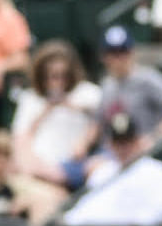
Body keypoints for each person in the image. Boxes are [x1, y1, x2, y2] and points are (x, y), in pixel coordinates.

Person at [51, 112, 162, 226]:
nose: (123, 148)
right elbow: (84, 209)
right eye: (118, 142)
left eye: (128, 141)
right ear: (110, 144)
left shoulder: (159, 172)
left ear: (138, 140)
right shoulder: (104, 170)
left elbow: (154, 217)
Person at [11, 39, 102, 190]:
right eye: (51, 76)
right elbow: (20, 140)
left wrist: (70, 106)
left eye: (63, 75)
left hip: (76, 168)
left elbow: (100, 121)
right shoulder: (30, 98)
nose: (57, 81)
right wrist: (47, 110)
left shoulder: (88, 92)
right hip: (39, 172)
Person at [97, 25, 162, 152]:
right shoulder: (107, 84)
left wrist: (155, 138)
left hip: (141, 155)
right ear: (103, 56)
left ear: (132, 52)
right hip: (112, 153)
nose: (118, 58)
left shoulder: (146, 78)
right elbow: (98, 124)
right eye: (112, 52)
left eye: (122, 51)